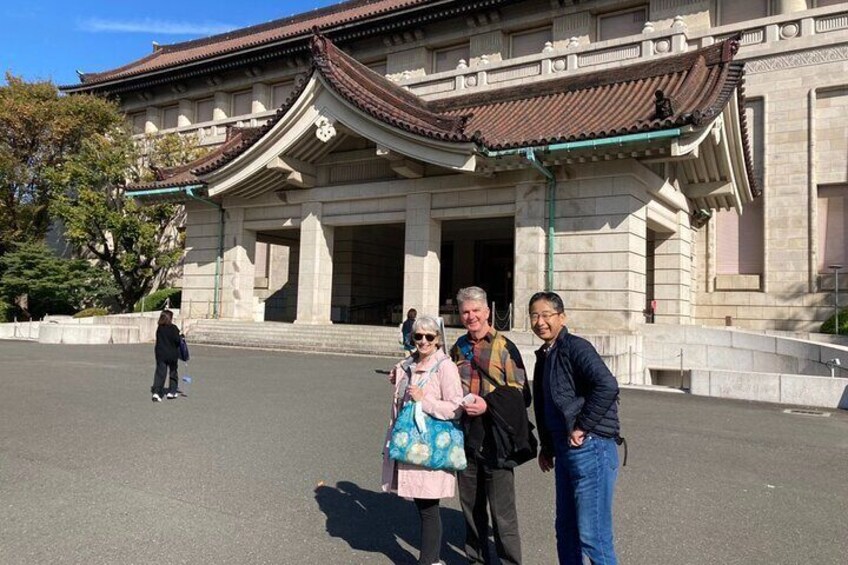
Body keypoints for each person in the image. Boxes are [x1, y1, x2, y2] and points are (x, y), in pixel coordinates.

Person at [528, 291, 622, 565]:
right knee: (566, 530)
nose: (540, 321)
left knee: (594, 536)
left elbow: (607, 386)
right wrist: (546, 446)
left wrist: (583, 426)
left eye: (546, 315)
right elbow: (547, 405)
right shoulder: (546, 355)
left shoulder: (575, 347)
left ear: (562, 317)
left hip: (591, 447)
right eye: (534, 315)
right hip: (564, 450)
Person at [449, 286, 528, 565]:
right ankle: (477, 559)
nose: (471, 316)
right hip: (467, 437)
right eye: (465, 312)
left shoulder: (505, 347)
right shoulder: (458, 347)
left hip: (496, 438)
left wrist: (488, 404)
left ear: (487, 312)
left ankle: (509, 562)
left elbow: (520, 393)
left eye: (476, 311)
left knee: (502, 512)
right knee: (470, 508)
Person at [382, 315, 464, 565]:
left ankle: (429, 561)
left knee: (429, 507)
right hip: (411, 445)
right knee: (423, 505)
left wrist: (423, 401)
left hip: (429, 446)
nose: (424, 341)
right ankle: (430, 560)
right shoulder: (407, 363)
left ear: (438, 339)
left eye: (429, 336)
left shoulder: (445, 366)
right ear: (412, 337)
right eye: (418, 336)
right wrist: (399, 382)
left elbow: (455, 408)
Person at [151, 309, 182, 402]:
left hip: (161, 354)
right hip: (172, 354)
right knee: (173, 372)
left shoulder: (160, 328)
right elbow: (177, 341)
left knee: (160, 373)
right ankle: (172, 391)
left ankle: (156, 392)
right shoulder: (173, 328)